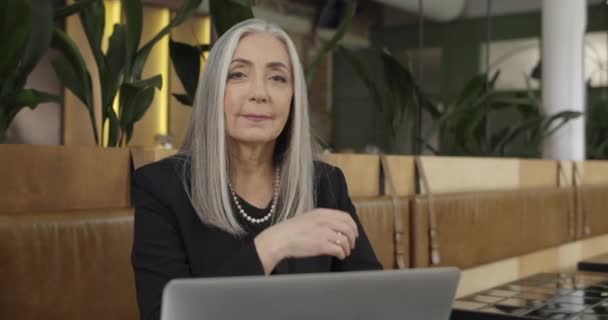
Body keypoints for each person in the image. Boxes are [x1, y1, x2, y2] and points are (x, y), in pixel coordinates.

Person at [131, 18, 382, 320]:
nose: (260, 93)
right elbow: (166, 315)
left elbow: (372, 301)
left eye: (277, 78)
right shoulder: (162, 187)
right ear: (214, 92)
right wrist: (274, 244)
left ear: (293, 97)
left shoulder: (325, 185)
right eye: (238, 75)